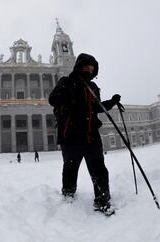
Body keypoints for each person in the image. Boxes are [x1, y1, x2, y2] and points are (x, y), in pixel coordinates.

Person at [48, 53, 121, 214]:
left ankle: (102, 198)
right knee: (71, 167)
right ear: (79, 67)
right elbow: (53, 99)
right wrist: (69, 88)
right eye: (85, 67)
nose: (89, 69)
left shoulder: (93, 88)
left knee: (99, 168)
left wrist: (112, 102)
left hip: (91, 134)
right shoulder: (67, 81)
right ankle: (68, 192)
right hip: (71, 135)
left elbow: (97, 108)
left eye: (91, 67)